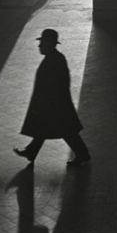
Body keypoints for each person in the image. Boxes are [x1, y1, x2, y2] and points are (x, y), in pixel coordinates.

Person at [14, 29, 91, 167]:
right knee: (56, 129)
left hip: (55, 105)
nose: (39, 46)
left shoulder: (54, 61)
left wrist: (46, 103)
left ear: (49, 44)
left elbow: (56, 85)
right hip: (56, 104)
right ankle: (32, 151)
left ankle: (82, 154)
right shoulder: (54, 58)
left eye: (42, 43)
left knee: (65, 131)